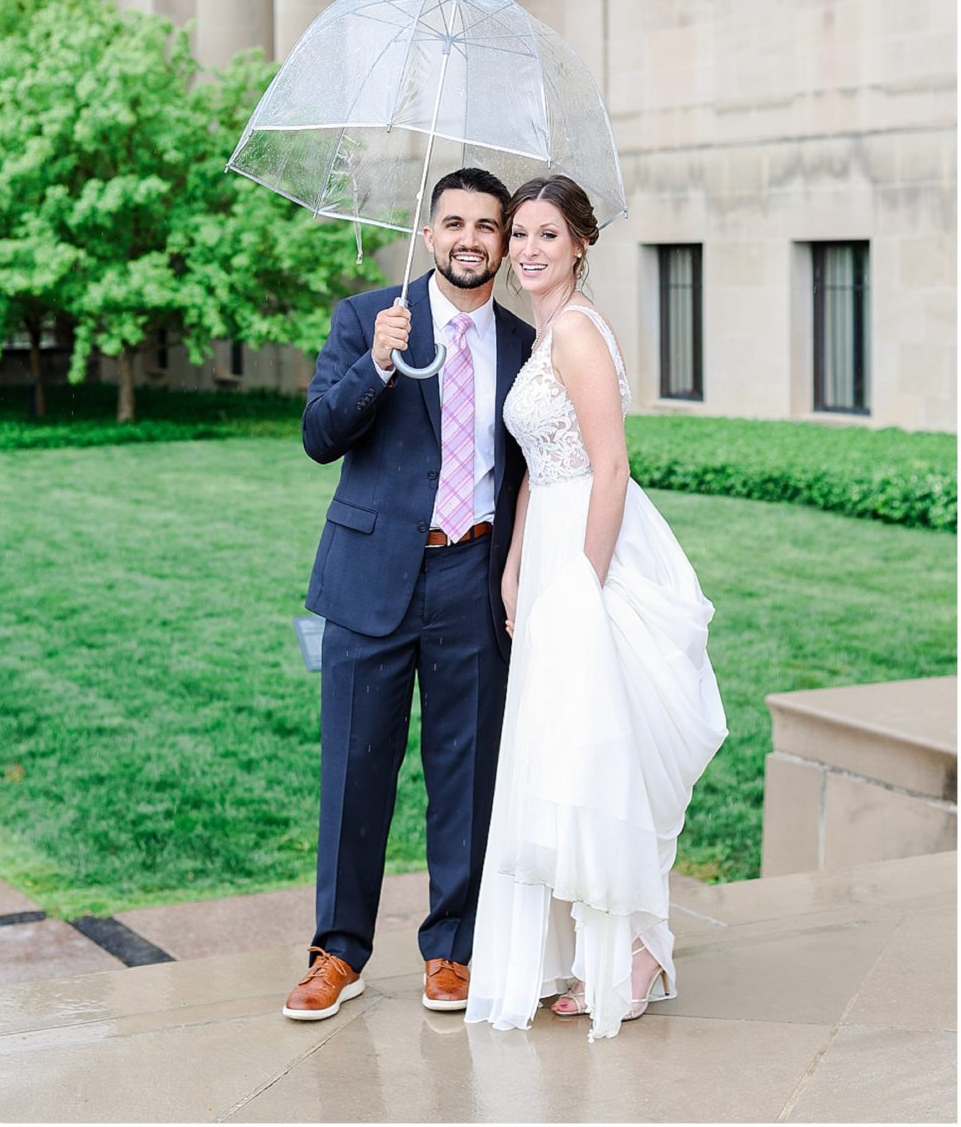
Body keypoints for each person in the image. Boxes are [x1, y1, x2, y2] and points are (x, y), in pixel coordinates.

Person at [464, 174, 727, 1043]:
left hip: (593, 552)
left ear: (580, 244)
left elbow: (608, 467)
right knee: (562, 757)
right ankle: (587, 950)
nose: (528, 251)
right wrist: (512, 568)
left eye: (546, 235)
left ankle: (633, 956)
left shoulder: (574, 333)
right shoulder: (543, 337)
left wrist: (582, 578)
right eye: (520, 236)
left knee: (601, 754)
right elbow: (543, 463)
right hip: (546, 551)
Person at [282, 167, 536, 1023]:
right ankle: (337, 952)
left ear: (501, 243)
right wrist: (378, 364)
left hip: (474, 574)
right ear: (428, 234)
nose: (471, 238)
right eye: (454, 222)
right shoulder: (365, 318)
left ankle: (451, 950)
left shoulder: (524, 340)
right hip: (369, 579)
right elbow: (320, 436)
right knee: (355, 771)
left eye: (487, 226)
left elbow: (533, 467)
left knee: (466, 773)